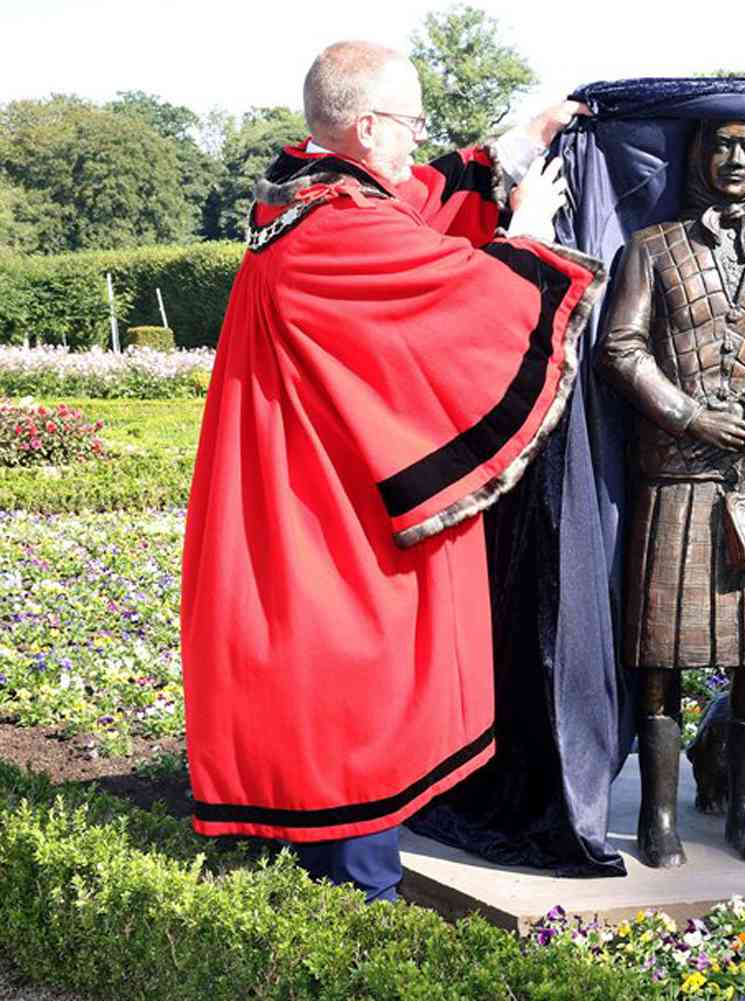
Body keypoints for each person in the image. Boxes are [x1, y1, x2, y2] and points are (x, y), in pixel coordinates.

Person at [180, 40, 603, 902]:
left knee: (318, 691)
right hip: (325, 512)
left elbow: (411, 205)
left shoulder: (310, 195)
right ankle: (357, 903)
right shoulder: (334, 232)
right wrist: (527, 239)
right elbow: (454, 291)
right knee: (354, 689)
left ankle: (320, 882)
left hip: (297, 485)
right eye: (410, 122)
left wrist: (522, 140)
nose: (420, 139)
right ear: (366, 125)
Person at [597, 119, 745, 867]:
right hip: (673, 478)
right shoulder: (651, 247)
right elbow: (620, 347)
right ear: (699, 153)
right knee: (659, 655)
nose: (735, 160)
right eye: (722, 144)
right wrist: (691, 414)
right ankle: (659, 817)